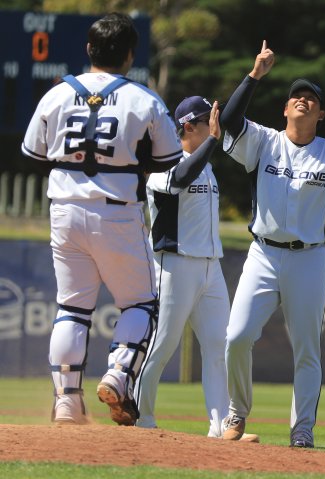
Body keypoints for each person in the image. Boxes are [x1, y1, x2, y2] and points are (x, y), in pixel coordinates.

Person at [218, 41, 325, 447]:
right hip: (263, 253)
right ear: (285, 108)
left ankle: (303, 428)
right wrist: (255, 74)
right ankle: (237, 411)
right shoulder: (263, 141)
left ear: (321, 114)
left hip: (308, 258)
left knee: (307, 350)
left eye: (311, 98)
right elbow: (227, 120)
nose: (303, 101)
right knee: (237, 336)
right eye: (296, 96)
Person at [20, 12, 183, 425]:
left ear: (89, 48)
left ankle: (66, 403)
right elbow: (168, 161)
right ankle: (118, 372)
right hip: (116, 210)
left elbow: (34, 155)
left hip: (64, 210)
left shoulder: (56, 93)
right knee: (141, 302)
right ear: (130, 54)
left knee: (72, 308)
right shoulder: (144, 98)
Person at [133, 97, 258, 441]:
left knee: (220, 346)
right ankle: (140, 415)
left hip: (210, 267)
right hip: (175, 265)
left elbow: (197, 167)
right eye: (207, 121)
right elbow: (180, 179)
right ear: (188, 126)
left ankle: (219, 426)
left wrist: (252, 77)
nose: (213, 125)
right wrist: (215, 141)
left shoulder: (208, 165)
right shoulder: (164, 165)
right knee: (163, 343)